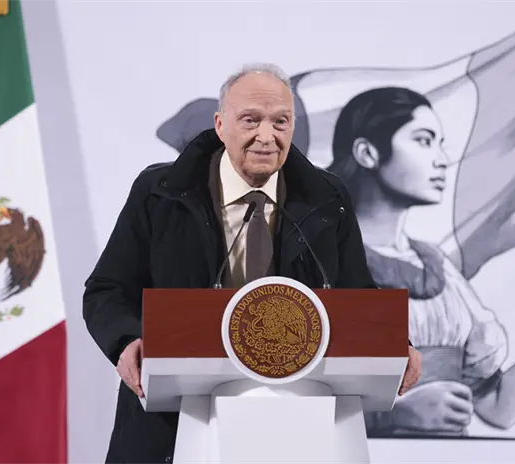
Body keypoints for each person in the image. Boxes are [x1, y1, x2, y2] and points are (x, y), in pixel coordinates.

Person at [83, 63, 422, 464]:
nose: (267, 136)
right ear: (220, 124)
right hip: (171, 425)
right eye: (251, 120)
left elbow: (357, 297)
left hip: (297, 422)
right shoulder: (161, 193)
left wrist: (395, 345)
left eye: (281, 121)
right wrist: (127, 342)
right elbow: (107, 290)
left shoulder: (328, 198)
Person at [327, 87, 515, 436]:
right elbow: (274, 403)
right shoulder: (321, 259)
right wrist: (390, 416)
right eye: (424, 141)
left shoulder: (436, 265)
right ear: (367, 153)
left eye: (440, 143)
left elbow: (498, 408)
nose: (442, 159)